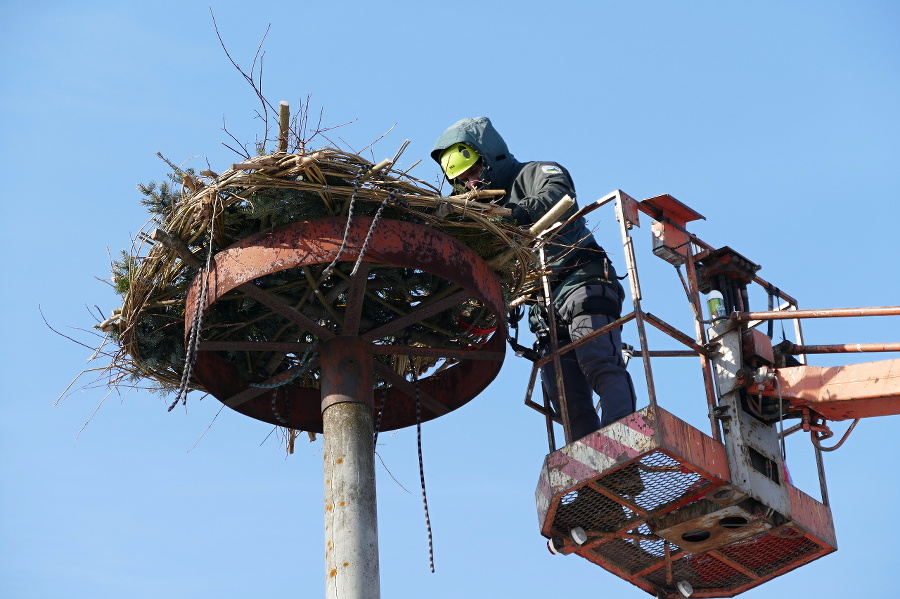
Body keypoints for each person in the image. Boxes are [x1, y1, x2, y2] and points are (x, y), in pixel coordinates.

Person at [431, 117, 637, 442]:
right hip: (543, 311)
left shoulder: (536, 173)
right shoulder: (482, 223)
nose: (470, 183)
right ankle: (595, 478)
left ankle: (624, 455)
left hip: (580, 279)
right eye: (461, 179)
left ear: (488, 156)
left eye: (472, 172)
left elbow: (557, 194)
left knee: (598, 360)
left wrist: (513, 215)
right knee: (564, 398)